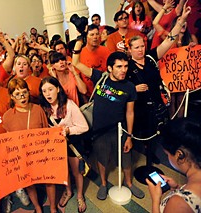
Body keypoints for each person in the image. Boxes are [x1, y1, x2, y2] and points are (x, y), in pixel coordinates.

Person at [72, 42, 145, 200]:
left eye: (125, 66)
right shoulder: (100, 77)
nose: (123, 70)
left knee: (126, 158)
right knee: (102, 158)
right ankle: (104, 184)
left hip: (120, 129)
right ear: (110, 68)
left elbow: (130, 112)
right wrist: (79, 42)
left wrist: (130, 136)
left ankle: (129, 184)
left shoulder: (130, 87)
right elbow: (76, 63)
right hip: (100, 130)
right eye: (119, 66)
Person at [126, 4, 191, 152]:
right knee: (147, 137)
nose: (141, 49)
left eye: (142, 46)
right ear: (130, 50)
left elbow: (169, 40)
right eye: (136, 47)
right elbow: (120, 87)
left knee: (163, 133)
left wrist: (181, 21)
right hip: (141, 108)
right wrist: (133, 88)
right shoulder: (127, 66)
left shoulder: (150, 57)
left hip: (158, 103)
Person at [1, 78, 56, 213]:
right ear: (12, 97)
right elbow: (8, 139)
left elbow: (45, 131)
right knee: (29, 183)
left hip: (41, 154)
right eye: (18, 94)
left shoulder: (38, 110)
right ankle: (37, 206)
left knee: (49, 180)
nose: (22, 97)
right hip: (23, 157)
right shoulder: (8, 116)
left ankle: (53, 208)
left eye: (24, 93)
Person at [39, 76, 89, 213]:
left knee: (76, 171)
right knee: (63, 171)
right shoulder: (43, 108)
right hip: (56, 146)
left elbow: (84, 127)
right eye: (44, 91)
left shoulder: (69, 105)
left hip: (72, 143)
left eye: (50, 89)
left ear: (58, 89)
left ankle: (80, 196)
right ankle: (68, 191)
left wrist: (68, 130)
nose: (48, 94)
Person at [146, 118, 201, 213]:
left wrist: (156, 200)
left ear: (180, 155)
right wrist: (177, 188)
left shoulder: (178, 203)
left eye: (167, 154)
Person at [79, 24, 111, 100]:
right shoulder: (81, 53)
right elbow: (79, 77)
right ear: (86, 37)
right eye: (92, 35)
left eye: (97, 34)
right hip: (90, 96)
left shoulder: (105, 50)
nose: (95, 37)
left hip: (107, 93)